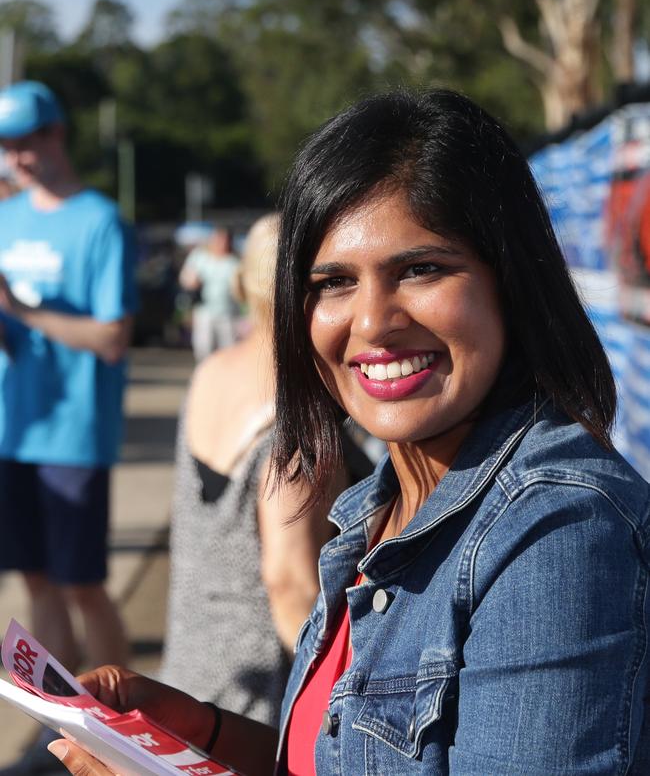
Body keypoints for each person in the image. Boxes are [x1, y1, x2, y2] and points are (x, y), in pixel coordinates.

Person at [49, 88, 650, 775]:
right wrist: (202, 736)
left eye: (420, 268)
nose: (371, 322)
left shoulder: (558, 531)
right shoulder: (379, 502)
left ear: (508, 278)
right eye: (332, 282)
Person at [160, 213, 364, 727]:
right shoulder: (297, 424)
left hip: (193, 669)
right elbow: (291, 585)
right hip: (265, 699)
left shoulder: (211, 372)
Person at [0, 82, 135, 698]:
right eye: (7, 147)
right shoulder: (6, 216)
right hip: (13, 428)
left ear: (56, 134)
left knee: (81, 581)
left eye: (27, 143)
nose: (17, 158)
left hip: (74, 434)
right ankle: (57, 718)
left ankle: (129, 716)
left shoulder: (100, 221)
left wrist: (22, 311)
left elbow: (111, 337)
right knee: (34, 579)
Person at [179, 225, 240, 360]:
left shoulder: (235, 263)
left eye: (225, 240)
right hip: (204, 312)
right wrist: (192, 282)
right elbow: (185, 278)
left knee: (229, 353)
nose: (221, 243)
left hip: (228, 314)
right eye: (218, 239)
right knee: (204, 352)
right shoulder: (199, 257)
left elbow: (239, 290)